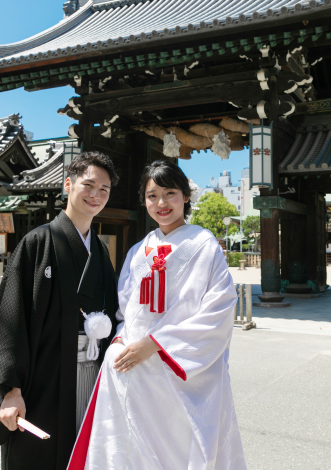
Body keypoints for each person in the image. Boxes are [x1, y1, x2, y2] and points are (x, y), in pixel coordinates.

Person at [69, 160, 246, 470]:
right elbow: (125, 311)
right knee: (131, 452)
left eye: (170, 193)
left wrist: (155, 343)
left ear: (186, 197)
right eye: (152, 195)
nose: (161, 203)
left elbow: (218, 310)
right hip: (136, 370)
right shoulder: (138, 251)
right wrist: (120, 342)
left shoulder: (205, 246)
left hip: (181, 370)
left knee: (180, 450)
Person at [0, 151, 121, 470]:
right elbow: (11, 322)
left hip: (90, 374)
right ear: (68, 184)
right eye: (89, 185)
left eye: (104, 189)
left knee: (85, 456)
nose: (96, 195)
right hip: (42, 381)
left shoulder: (99, 252)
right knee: (37, 456)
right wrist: (10, 391)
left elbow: (117, 315)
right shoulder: (37, 243)